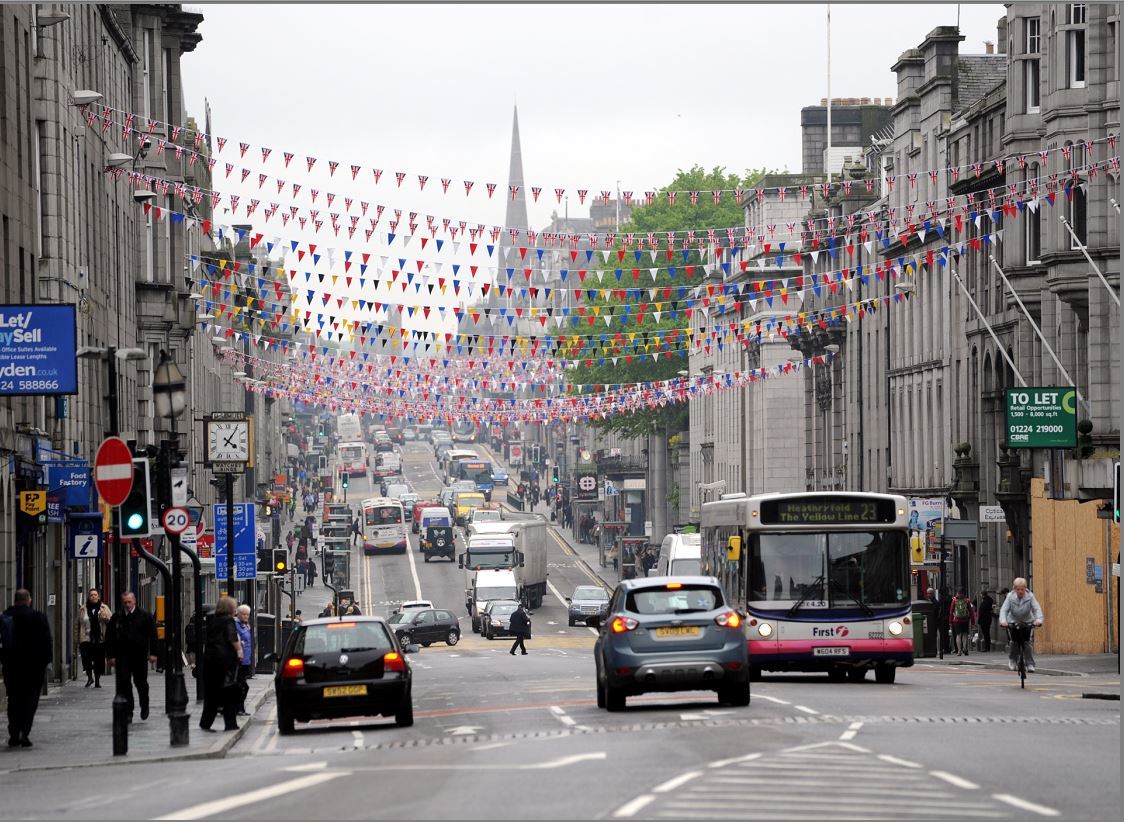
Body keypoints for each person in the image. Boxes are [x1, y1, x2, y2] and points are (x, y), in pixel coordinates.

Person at [2, 590, 51, 748]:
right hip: (34, 668)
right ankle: (24, 731)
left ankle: (14, 732)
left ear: (15, 600)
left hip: (12, 666)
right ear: (29, 601)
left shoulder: (6, 616)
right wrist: (46, 663)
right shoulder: (38, 617)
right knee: (30, 701)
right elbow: (47, 642)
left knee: (14, 700)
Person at [105, 591, 158, 722]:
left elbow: (153, 636)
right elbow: (109, 637)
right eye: (125, 602)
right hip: (122, 657)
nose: (127, 605)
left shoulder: (145, 616)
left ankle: (144, 705)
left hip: (139, 656)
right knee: (124, 684)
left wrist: (153, 653)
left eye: (129, 602)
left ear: (134, 601)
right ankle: (129, 710)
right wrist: (110, 655)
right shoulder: (117, 617)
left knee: (141, 683)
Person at [200, 596, 242, 732]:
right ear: (230, 608)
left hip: (210, 659)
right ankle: (230, 724)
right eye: (234, 607)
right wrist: (239, 649)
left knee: (211, 694)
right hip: (224, 661)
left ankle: (205, 723)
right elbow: (232, 637)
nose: (235, 609)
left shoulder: (213, 619)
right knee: (229, 692)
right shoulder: (228, 620)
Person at [998, 577, 1045, 673]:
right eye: (1018, 589)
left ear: (1025, 589)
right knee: (1013, 642)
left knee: (1027, 643)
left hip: (1027, 621)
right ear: (1014, 589)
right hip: (1012, 621)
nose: (1020, 592)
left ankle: (1030, 664)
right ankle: (1012, 660)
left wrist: (1039, 620)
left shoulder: (1030, 596)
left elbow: (1036, 609)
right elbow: (1004, 610)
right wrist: (1003, 621)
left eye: (1022, 589)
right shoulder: (1010, 597)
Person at [77, 588, 111, 688]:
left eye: (95, 595)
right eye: (91, 595)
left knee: (98, 660)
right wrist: (76, 639)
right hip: (86, 638)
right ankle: (89, 678)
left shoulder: (104, 607)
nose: (93, 596)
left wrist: (105, 618)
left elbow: (111, 621)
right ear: (89, 596)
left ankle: (97, 680)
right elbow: (77, 624)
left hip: (99, 639)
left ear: (98, 596)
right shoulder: (83, 609)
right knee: (86, 658)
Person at [234, 605, 253, 716]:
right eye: (243, 614)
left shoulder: (245, 626)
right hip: (239, 660)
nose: (245, 616)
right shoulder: (236, 625)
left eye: (247, 614)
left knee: (242, 686)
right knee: (242, 686)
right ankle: (238, 708)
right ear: (238, 614)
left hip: (246, 661)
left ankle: (240, 708)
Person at [948, 589, 976, 656]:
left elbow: (951, 611)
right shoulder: (967, 601)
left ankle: (959, 651)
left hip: (956, 620)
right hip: (965, 620)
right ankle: (965, 648)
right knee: (965, 634)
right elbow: (971, 612)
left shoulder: (954, 600)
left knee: (958, 635)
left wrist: (950, 622)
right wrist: (973, 622)